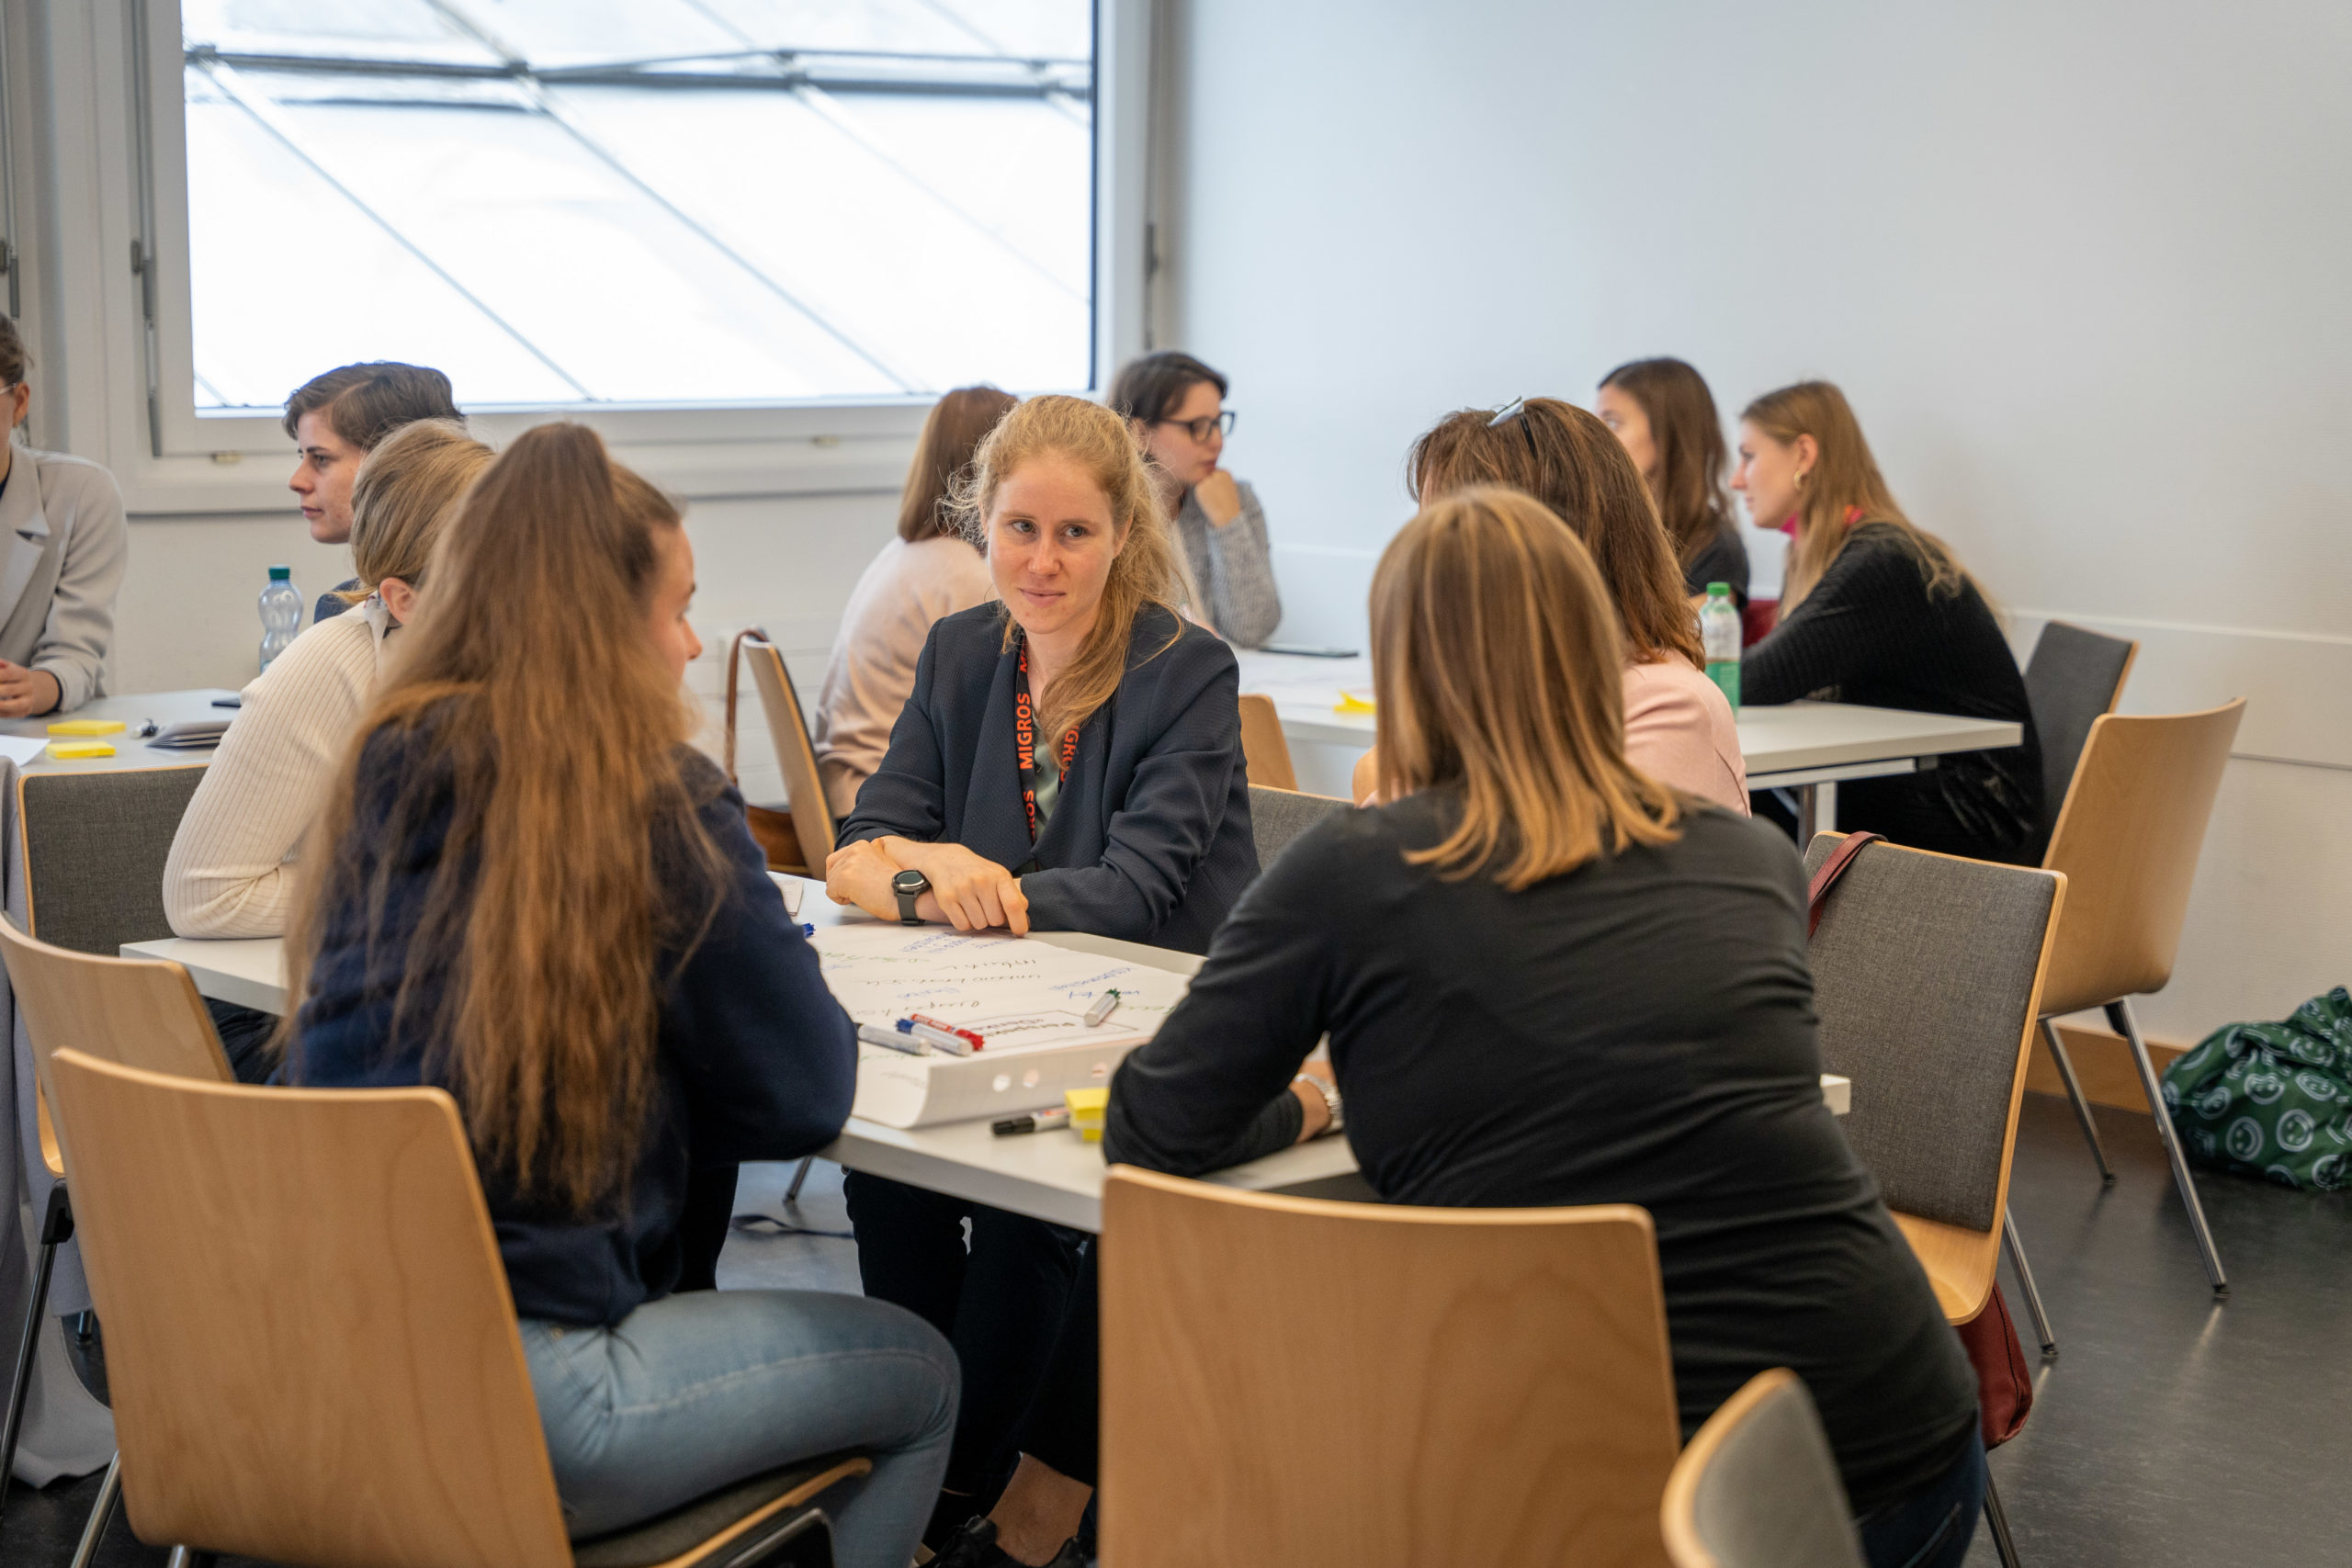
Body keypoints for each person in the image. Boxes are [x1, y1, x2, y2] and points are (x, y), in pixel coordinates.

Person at [1103, 487, 1988, 1568]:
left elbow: (1154, 1126)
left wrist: (1309, 1103)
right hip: (1899, 1440)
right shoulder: (1749, 853)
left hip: (1603, 1486)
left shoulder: (1362, 867)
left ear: (1403, 668)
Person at [282, 424, 956, 1566]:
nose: (693, 644)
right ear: (602, 627)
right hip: (539, 1398)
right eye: (678, 608)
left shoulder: (382, 763)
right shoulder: (654, 798)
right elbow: (802, 1092)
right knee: (923, 1375)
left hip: (333, 1358)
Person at [823, 393, 1255, 1555]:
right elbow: (865, 839)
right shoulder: (965, 650)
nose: (1044, 561)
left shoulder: (1184, 670)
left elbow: (1134, 890)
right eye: (1020, 528)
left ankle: (959, 1499)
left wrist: (954, 884)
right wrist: (925, 875)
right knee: (887, 1174)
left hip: (1149, 1014)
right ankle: (915, 1448)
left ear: (1124, 532)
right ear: (981, 522)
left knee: (1026, 1225)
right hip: (997, 998)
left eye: (1074, 533)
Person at [165, 420, 492, 1080]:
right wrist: (425, 893)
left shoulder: (525, 661)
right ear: (403, 600)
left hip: (427, 993)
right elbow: (205, 897)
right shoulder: (331, 665)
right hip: (274, 1020)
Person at [1354, 396, 1747, 814]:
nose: (1430, 559)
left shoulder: (1668, 705)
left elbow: (1511, 860)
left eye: (1452, 530)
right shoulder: (1516, 687)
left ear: (1551, 543)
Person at [1732, 380, 2041, 861]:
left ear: (1803, 455)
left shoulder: (1881, 560)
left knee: (1730, 805)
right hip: (1932, 792)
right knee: (1739, 803)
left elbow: (1756, 680)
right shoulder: (1830, 554)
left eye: (1748, 456)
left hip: (1974, 816)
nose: (1736, 479)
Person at [812, 385, 1017, 818]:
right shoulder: (965, 575)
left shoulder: (905, 555)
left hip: (845, 787)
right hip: (884, 802)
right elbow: (998, 727)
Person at [0, 312, 128, 717]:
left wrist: (35, 688)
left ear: (19, 402)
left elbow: (75, 657)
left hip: (33, 738)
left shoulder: (81, 493)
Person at [1106, 351, 1281, 646]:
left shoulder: (1235, 498)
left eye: (1217, 423)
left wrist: (1228, 524)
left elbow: (1254, 629)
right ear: (1138, 432)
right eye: (1197, 427)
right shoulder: (1110, 513)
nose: (1217, 441)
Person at [285, 361, 465, 623]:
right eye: (303, 456)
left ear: (395, 464)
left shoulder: (347, 612)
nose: (297, 481)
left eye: (321, 459)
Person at [1596, 356, 1750, 608]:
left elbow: (1683, 645)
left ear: (1668, 433)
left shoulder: (1717, 549)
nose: (1596, 437)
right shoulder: (1598, 526)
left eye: (1612, 422)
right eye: (1595, 423)